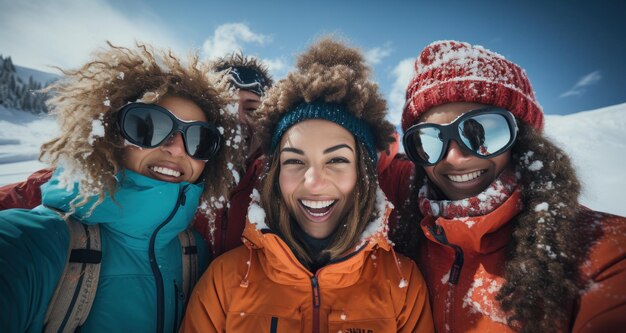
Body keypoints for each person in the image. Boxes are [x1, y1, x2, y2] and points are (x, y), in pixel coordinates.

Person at [180, 38, 434, 332]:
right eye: (295, 161)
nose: (313, 182)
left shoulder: (402, 285)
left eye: (337, 160)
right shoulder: (223, 279)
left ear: (363, 171)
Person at [0, 42, 243, 332]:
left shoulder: (194, 253)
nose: (177, 149)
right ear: (108, 133)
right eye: (149, 126)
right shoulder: (37, 244)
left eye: (199, 139)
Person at [400, 40, 626, 332]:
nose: (454, 158)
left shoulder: (605, 251)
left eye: (480, 131)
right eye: (429, 140)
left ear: (522, 138)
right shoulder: (406, 244)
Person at [0, 51, 274, 258]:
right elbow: (61, 186)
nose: (237, 119)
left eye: (252, 109)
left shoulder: (278, 184)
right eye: (226, 106)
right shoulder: (173, 166)